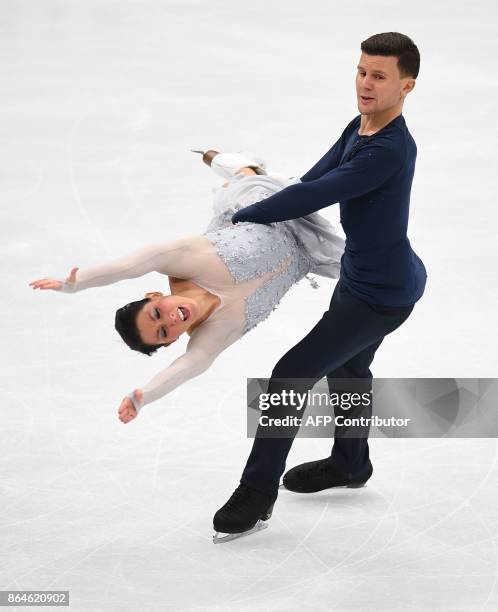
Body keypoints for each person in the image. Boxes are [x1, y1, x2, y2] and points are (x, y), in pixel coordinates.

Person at [213, 32, 428, 540]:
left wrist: (241, 215)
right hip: (361, 277)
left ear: (407, 85)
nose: (366, 83)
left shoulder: (389, 151)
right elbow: (305, 187)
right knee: (350, 370)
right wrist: (260, 196)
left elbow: (320, 194)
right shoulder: (359, 128)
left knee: (291, 374)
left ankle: (256, 491)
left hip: (383, 295)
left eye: (379, 76)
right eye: (361, 71)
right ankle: (351, 464)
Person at [29, 156, 345, 424]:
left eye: (156, 313)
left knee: (247, 179)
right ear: (172, 340)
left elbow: (131, 265)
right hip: (309, 251)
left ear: (154, 296)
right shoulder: (212, 334)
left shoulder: (185, 263)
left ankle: (238, 164)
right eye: (164, 331)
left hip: (265, 202)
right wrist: (144, 397)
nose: (171, 320)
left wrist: (77, 282)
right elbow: (189, 365)